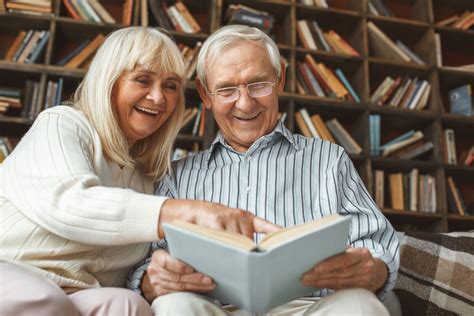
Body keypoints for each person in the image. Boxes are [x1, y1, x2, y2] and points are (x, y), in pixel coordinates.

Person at [0, 27, 278, 316]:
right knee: (44, 300)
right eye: (142, 80)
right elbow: (71, 203)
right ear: (109, 83)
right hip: (13, 269)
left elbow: (139, 267)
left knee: (129, 306)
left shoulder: (148, 174)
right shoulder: (62, 124)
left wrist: (169, 273)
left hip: (78, 291)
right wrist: (186, 212)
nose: (158, 98)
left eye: (170, 86)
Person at [128, 25, 400, 315]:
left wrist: (374, 270)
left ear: (280, 79)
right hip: (213, 309)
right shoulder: (178, 175)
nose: (245, 103)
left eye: (258, 84)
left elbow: (376, 244)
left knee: (360, 305)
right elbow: (144, 262)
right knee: (173, 306)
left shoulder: (328, 160)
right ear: (206, 95)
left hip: (312, 308)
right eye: (226, 90)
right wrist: (151, 281)